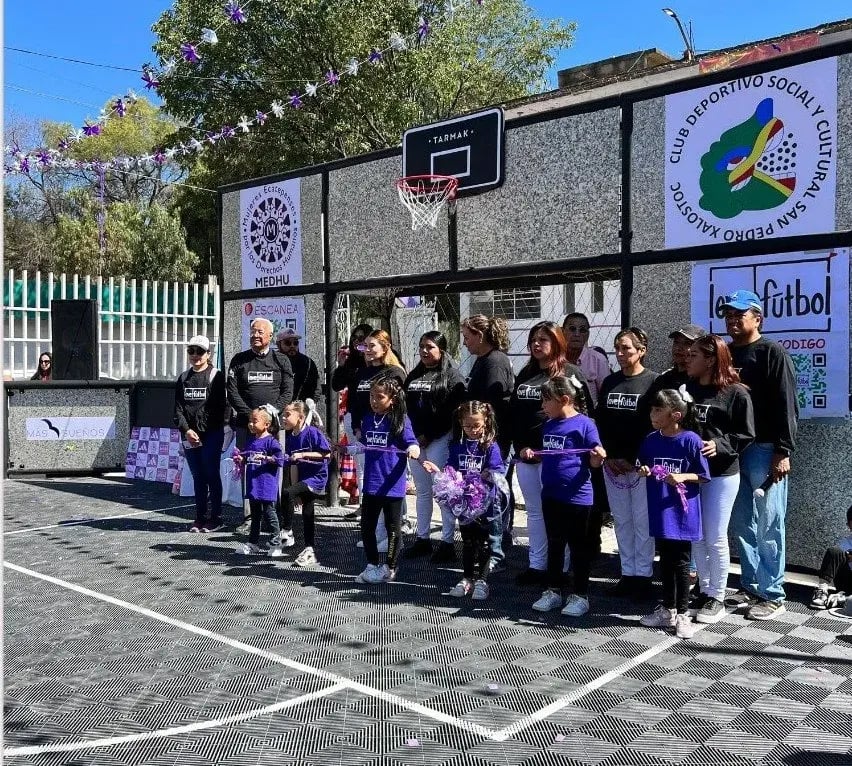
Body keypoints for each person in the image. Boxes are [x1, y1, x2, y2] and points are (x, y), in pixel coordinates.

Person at [720, 290, 798, 621]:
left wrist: (783, 451)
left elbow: (787, 403)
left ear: (758, 318)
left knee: (770, 523)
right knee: (741, 523)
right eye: (729, 314)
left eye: (740, 314)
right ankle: (751, 585)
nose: (733, 320)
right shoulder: (725, 354)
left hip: (766, 450)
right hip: (735, 450)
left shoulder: (772, 352)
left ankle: (773, 594)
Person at [510, 321, 594, 585]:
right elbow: (515, 414)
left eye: (543, 339)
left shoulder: (570, 372)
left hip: (559, 460)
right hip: (527, 456)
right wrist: (521, 446)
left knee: (561, 517)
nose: (536, 344)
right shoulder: (525, 373)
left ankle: (561, 569)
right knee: (535, 513)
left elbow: (584, 415)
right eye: (533, 339)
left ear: (557, 342)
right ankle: (537, 565)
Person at [685, 334, 755, 623]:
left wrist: (720, 445)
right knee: (697, 535)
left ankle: (717, 595)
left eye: (694, 355)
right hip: (692, 473)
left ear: (711, 359)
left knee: (714, 536)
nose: (687, 359)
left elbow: (746, 434)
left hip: (721, 475)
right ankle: (703, 590)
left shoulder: (736, 393)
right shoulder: (687, 389)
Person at [525, 376, 606, 617]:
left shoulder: (585, 424)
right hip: (551, 495)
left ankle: (580, 595)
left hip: (578, 498)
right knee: (555, 544)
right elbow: (544, 454)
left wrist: (598, 456)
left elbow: (594, 461)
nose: (542, 406)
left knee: (579, 548)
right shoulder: (548, 424)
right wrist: (531, 453)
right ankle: (553, 590)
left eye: (546, 400)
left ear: (564, 400)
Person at [637, 388, 710, 640]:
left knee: (681, 563)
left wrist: (682, 476)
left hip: (682, 513)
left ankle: (683, 614)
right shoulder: (650, 440)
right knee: (665, 561)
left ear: (676, 415)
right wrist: (644, 470)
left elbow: (703, 475)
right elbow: (643, 464)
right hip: (660, 510)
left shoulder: (691, 440)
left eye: (658, 410)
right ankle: (667, 609)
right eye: (652, 409)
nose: (652, 414)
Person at [596, 327, 659, 597]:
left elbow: (654, 425)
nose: (621, 353)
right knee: (622, 520)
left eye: (627, 348)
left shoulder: (653, 382)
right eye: (617, 348)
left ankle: (643, 576)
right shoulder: (610, 382)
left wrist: (634, 459)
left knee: (642, 522)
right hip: (613, 466)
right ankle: (627, 573)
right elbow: (601, 422)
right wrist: (609, 456)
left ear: (641, 350)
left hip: (640, 466)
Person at [424, 401, 505, 600]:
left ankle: (482, 581)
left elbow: (499, 470)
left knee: (484, 543)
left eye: (476, 425)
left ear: (486, 422)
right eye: (467, 426)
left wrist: (488, 474)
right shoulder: (457, 445)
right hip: (465, 503)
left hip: (485, 504)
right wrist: (437, 471)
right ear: (461, 423)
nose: (472, 430)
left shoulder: (490, 446)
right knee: (468, 542)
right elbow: (451, 470)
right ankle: (467, 578)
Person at [227, 317, 294, 531]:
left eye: (260, 332)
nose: (255, 335)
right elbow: (232, 392)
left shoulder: (281, 360)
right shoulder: (239, 360)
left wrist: (270, 413)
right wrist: (252, 416)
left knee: (274, 467)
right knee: (248, 467)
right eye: (253, 331)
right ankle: (249, 517)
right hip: (246, 425)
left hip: (273, 426)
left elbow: (288, 391)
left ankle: (274, 516)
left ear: (270, 336)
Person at [404, 331, 466, 559]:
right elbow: (407, 408)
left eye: (429, 347)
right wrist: (414, 436)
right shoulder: (414, 375)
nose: (424, 351)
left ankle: (447, 542)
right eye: (421, 346)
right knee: (422, 491)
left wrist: (429, 435)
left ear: (441, 349)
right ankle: (422, 539)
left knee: (442, 491)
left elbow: (452, 411)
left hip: (439, 440)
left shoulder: (452, 375)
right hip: (417, 441)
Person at [461, 314, 515, 568]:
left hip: (495, 442)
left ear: (480, 336)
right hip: (484, 441)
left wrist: (487, 439)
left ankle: (497, 550)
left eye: (467, 337)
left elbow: (493, 406)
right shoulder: (482, 361)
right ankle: (484, 547)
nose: (464, 343)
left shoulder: (495, 362)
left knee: (494, 496)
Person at [353, 377, 420, 584]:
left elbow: (411, 442)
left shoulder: (400, 420)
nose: (374, 400)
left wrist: (413, 449)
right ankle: (372, 564)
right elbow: (365, 444)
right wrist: (348, 448)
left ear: (392, 399)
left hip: (392, 485)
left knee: (393, 528)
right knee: (367, 526)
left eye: (380, 397)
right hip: (372, 484)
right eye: (371, 396)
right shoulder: (368, 418)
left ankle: (391, 566)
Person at [347, 329, 407, 549]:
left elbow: (399, 407)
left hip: (387, 436)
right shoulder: (362, 372)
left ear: (385, 347)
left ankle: (391, 537)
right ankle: (375, 534)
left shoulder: (395, 372)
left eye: (372, 345)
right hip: (365, 433)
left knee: (388, 486)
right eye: (365, 346)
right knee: (370, 483)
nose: (367, 350)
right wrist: (357, 428)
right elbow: (353, 402)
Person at [173, 335, 228, 533]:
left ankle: (216, 518)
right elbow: (178, 409)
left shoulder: (216, 375)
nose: (195, 355)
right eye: (191, 351)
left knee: (211, 473)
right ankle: (200, 517)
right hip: (189, 434)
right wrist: (187, 430)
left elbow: (220, 408)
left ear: (208, 354)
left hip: (211, 433)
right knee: (198, 476)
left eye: (200, 351)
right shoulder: (183, 378)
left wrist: (201, 431)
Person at [277, 400, 332, 566]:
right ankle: (309, 550)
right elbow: (293, 465)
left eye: (287, 415)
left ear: (300, 417)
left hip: (317, 478)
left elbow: (326, 454)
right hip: (304, 479)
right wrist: (297, 490)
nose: (283, 418)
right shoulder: (291, 438)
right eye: (283, 415)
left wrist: (303, 455)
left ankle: (287, 530)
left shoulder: (312, 432)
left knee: (286, 493)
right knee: (307, 512)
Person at [233, 407, 285, 555]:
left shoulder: (272, 442)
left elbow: (280, 460)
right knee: (255, 516)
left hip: (266, 485)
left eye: (254, 421)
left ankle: (276, 543)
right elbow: (247, 458)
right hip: (253, 484)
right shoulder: (251, 441)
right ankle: (253, 543)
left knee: (270, 513)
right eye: (250, 421)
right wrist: (241, 459)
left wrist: (267, 458)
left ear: (267, 424)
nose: (250, 424)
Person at [332, 323, 373, 512]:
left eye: (362, 338)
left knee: (371, 464)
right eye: (355, 338)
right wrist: (341, 365)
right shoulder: (351, 363)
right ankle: (364, 506)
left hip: (373, 418)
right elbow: (336, 385)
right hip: (352, 417)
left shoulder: (376, 362)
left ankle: (377, 510)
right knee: (360, 465)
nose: (358, 341)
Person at [561, 313, 611, 406]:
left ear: (588, 334)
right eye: (572, 329)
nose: (577, 334)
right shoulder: (555, 358)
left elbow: (606, 396)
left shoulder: (598, 360)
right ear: (563, 331)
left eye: (582, 330)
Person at [809, 506, 852, 610]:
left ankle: (844, 598)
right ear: (849, 526)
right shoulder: (845, 543)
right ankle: (822, 591)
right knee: (834, 551)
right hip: (848, 582)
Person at [651, 324, 707, 393]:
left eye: (687, 343)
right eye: (676, 342)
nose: (678, 348)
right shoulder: (664, 379)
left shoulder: (703, 381)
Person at [276, 328, 319, 402]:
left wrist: (309, 404)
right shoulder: (273, 360)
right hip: (278, 406)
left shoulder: (307, 362)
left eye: (295, 343)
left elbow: (316, 388)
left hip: (301, 406)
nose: (292, 346)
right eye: (288, 343)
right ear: (279, 344)